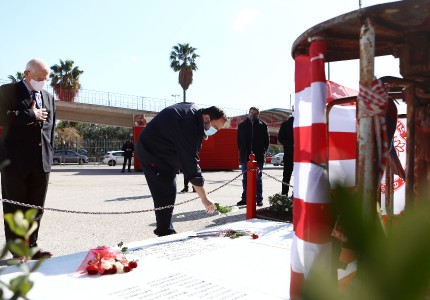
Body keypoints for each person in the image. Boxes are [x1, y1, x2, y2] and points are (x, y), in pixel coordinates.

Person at [135, 103, 227, 237]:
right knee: (164, 191)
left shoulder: (194, 114)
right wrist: (205, 198)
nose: (215, 132)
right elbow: (191, 164)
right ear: (207, 118)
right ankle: (165, 232)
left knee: (169, 190)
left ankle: (165, 229)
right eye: (216, 127)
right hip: (152, 153)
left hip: (165, 151)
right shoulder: (188, 125)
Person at [0, 58, 56, 260]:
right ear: (26, 74)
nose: (42, 81)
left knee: (35, 208)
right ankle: (17, 252)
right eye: (39, 77)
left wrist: (49, 154)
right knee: (15, 208)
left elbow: (50, 129)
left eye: (46, 78)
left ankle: (32, 247)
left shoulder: (49, 97)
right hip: (14, 162)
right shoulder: (8, 91)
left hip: (41, 162)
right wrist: (29, 114)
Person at [236, 107, 269, 207]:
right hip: (245, 157)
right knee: (245, 179)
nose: (252, 115)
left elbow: (266, 142)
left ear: (258, 114)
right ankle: (244, 199)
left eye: (255, 113)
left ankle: (259, 199)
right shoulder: (242, 125)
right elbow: (239, 141)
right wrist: (242, 151)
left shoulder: (263, 126)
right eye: (251, 112)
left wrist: (262, 151)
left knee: (258, 179)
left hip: (258, 157)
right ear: (248, 113)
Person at [278, 112, 294, 196]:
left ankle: (287, 195)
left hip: (293, 155)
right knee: (288, 176)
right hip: (291, 155)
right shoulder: (286, 124)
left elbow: (280, 138)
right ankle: (286, 195)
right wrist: (292, 144)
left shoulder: (304, 123)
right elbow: (280, 138)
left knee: (288, 176)